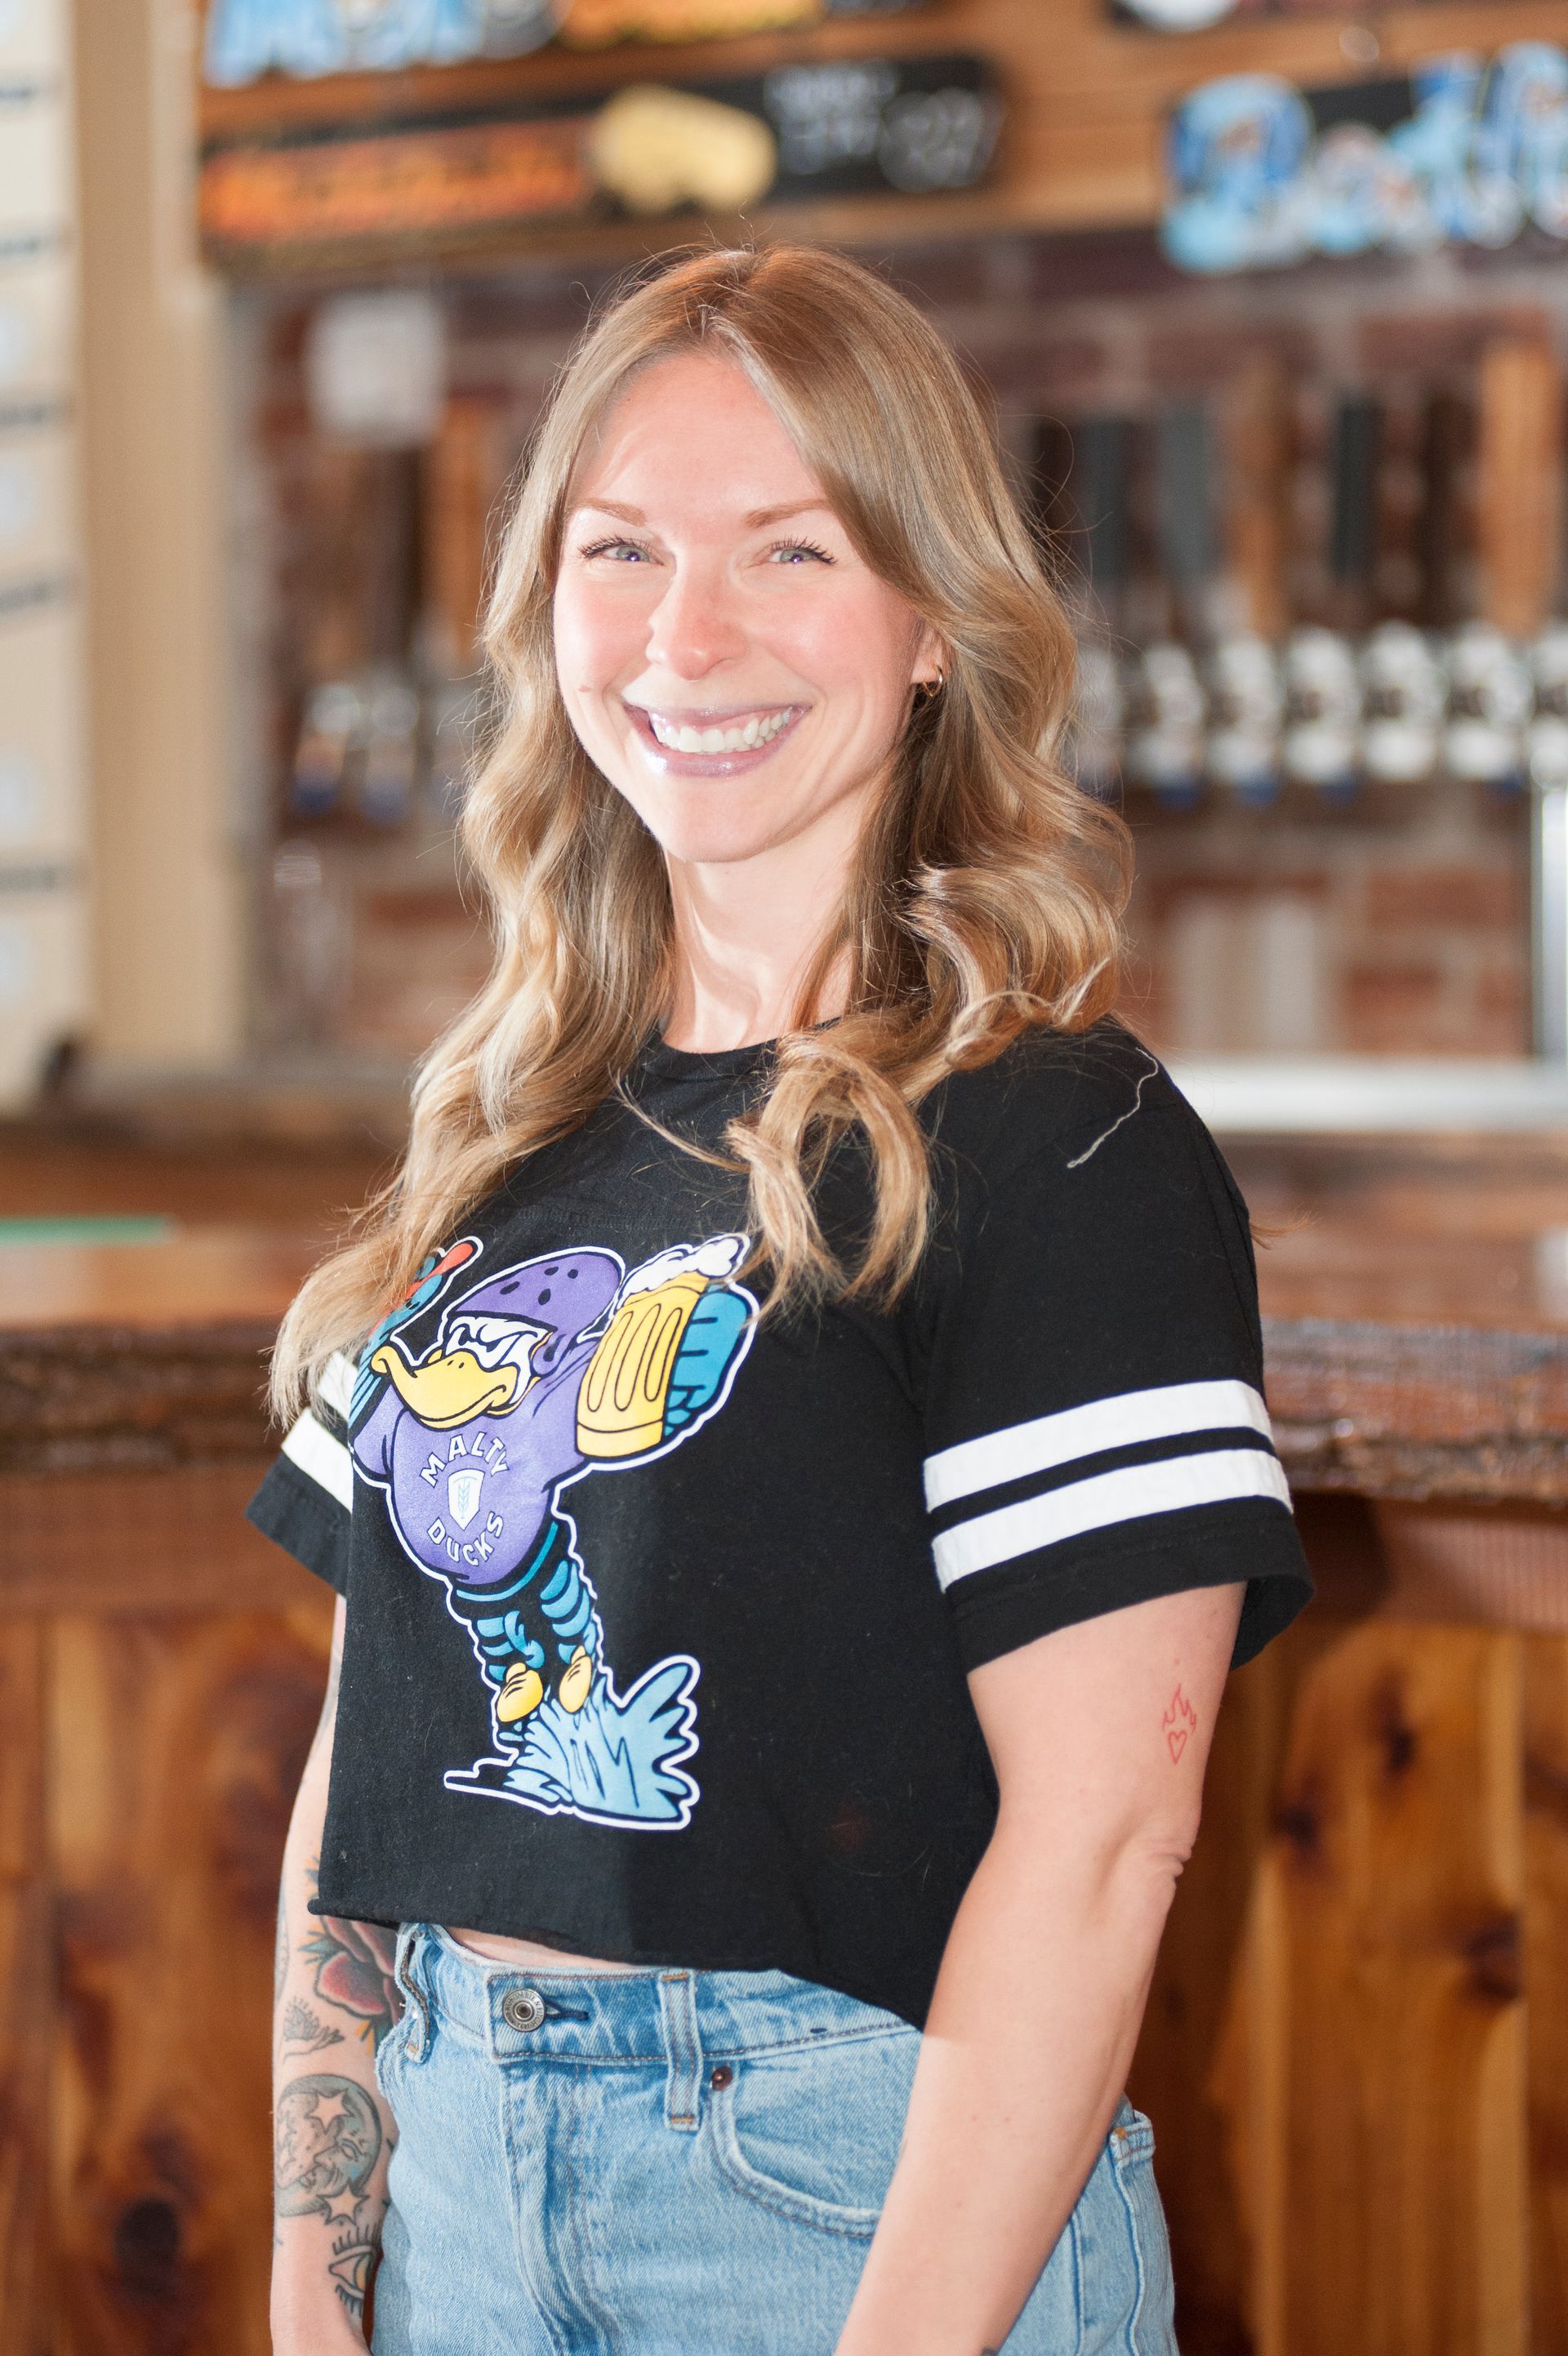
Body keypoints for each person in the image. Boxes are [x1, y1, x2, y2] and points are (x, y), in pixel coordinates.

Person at [256, 243, 1312, 2356]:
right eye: (619, 550)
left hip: (839, 2197)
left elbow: (1107, 1841)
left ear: (930, 620)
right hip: (453, 2177)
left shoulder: (1053, 1136)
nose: (686, 634)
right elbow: (367, 1768)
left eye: (787, 550)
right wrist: (318, 2270)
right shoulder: (502, 1136)